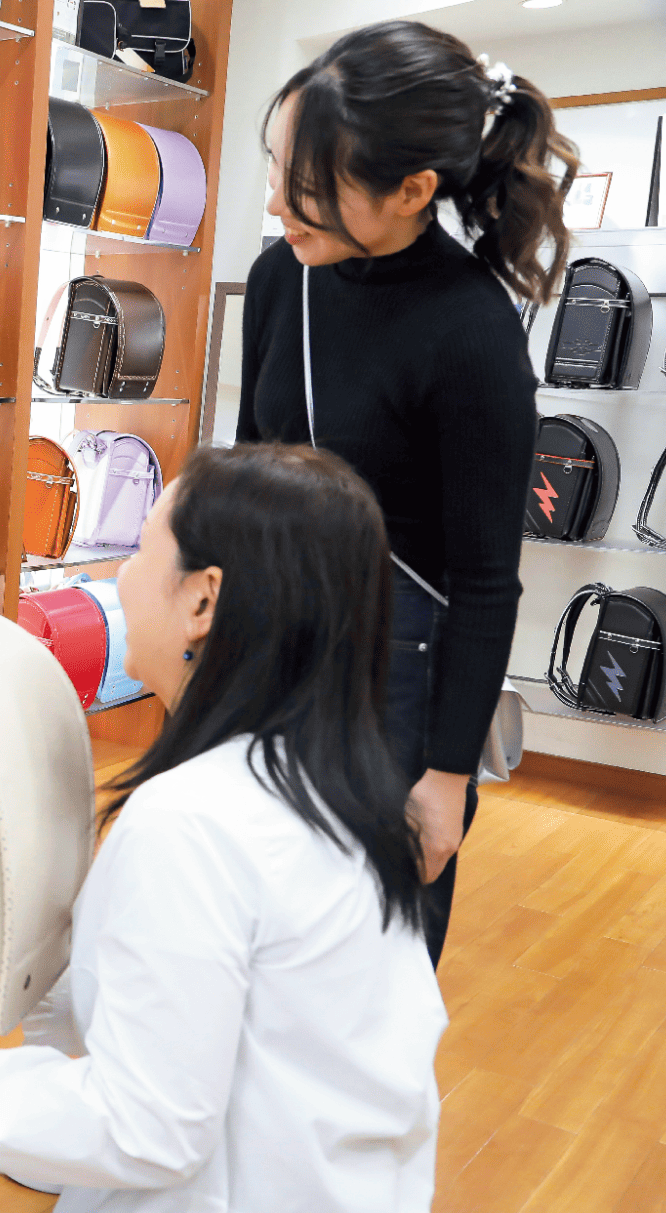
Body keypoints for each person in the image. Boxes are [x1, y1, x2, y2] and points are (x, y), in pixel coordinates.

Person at [0, 446, 459, 1213]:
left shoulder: (195, 819)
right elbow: (164, 1020)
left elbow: (146, 1126)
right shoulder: (340, 797)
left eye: (142, 549)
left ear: (202, 600)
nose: (116, 576)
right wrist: (3, 965)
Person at [237, 20, 578, 965]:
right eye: (277, 170)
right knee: (255, 940)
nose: (275, 204)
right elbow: (250, 476)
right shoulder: (280, 277)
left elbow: (483, 580)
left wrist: (444, 776)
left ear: (412, 191)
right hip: (280, 654)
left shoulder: (470, 331)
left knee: (368, 964)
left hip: (402, 693)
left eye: (307, 185)